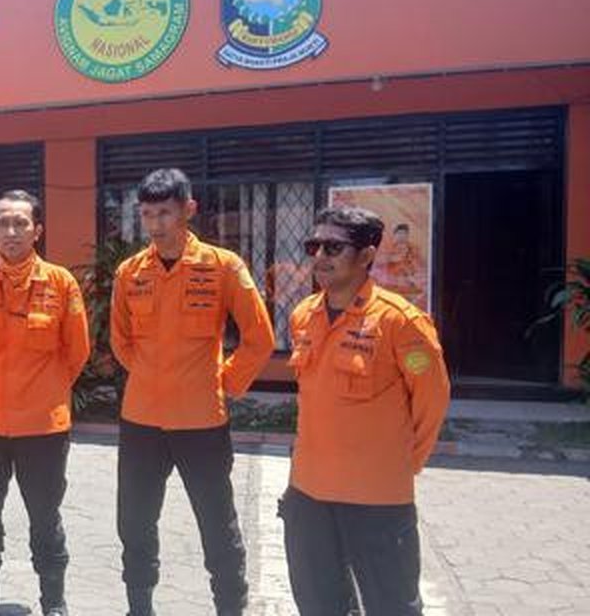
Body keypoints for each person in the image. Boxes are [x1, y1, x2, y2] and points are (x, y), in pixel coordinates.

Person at [110, 168, 275, 616]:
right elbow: (121, 340)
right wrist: (151, 376)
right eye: (148, 214)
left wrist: (224, 382)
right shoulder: (130, 273)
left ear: (189, 210)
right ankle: (139, 607)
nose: (156, 224)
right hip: (141, 420)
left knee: (217, 525)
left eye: (165, 213)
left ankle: (230, 607)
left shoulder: (223, 266)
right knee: (135, 523)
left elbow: (259, 338)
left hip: (201, 421)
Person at [280, 206, 449, 616]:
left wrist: (400, 465)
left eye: (333, 247)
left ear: (367, 255)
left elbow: (432, 400)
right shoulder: (303, 316)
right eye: (314, 246)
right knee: (318, 605)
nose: (320, 256)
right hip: (308, 495)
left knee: (391, 606)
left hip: (377, 500)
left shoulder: (400, 323)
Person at [0, 189, 90, 616]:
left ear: (38, 230)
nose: (11, 232)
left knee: (45, 517)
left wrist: (44, 391)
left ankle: (54, 602)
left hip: (43, 428)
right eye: (3, 223)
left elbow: (77, 352)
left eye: (20, 223)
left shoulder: (61, 283)